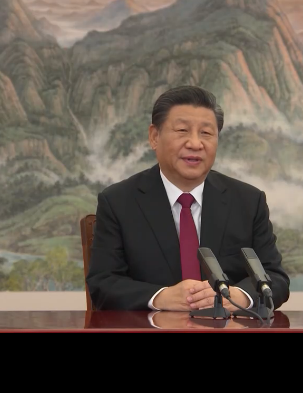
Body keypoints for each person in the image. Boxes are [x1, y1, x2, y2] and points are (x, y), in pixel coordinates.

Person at [86, 86, 290, 312]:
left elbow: (275, 278)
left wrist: (237, 297)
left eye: (206, 133)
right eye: (182, 130)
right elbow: (103, 283)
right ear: (154, 137)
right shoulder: (118, 202)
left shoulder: (248, 202)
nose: (195, 143)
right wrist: (160, 297)